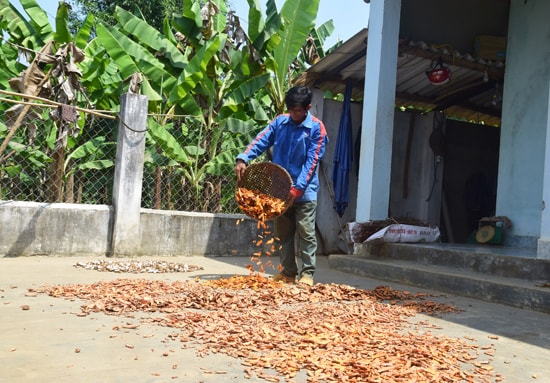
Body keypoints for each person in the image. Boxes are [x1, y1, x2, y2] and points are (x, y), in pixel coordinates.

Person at [234, 86, 328, 286]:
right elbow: (260, 141)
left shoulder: (316, 129)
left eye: (298, 111)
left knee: (306, 232)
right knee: (283, 233)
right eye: (291, 110)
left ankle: (308, 273)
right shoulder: (280, 122)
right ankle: (287, 272)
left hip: (305, 193)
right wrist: (243, 158)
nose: (294, 115)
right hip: (278, 190)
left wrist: (298, 188)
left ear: (307, 107)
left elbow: (312, 162)